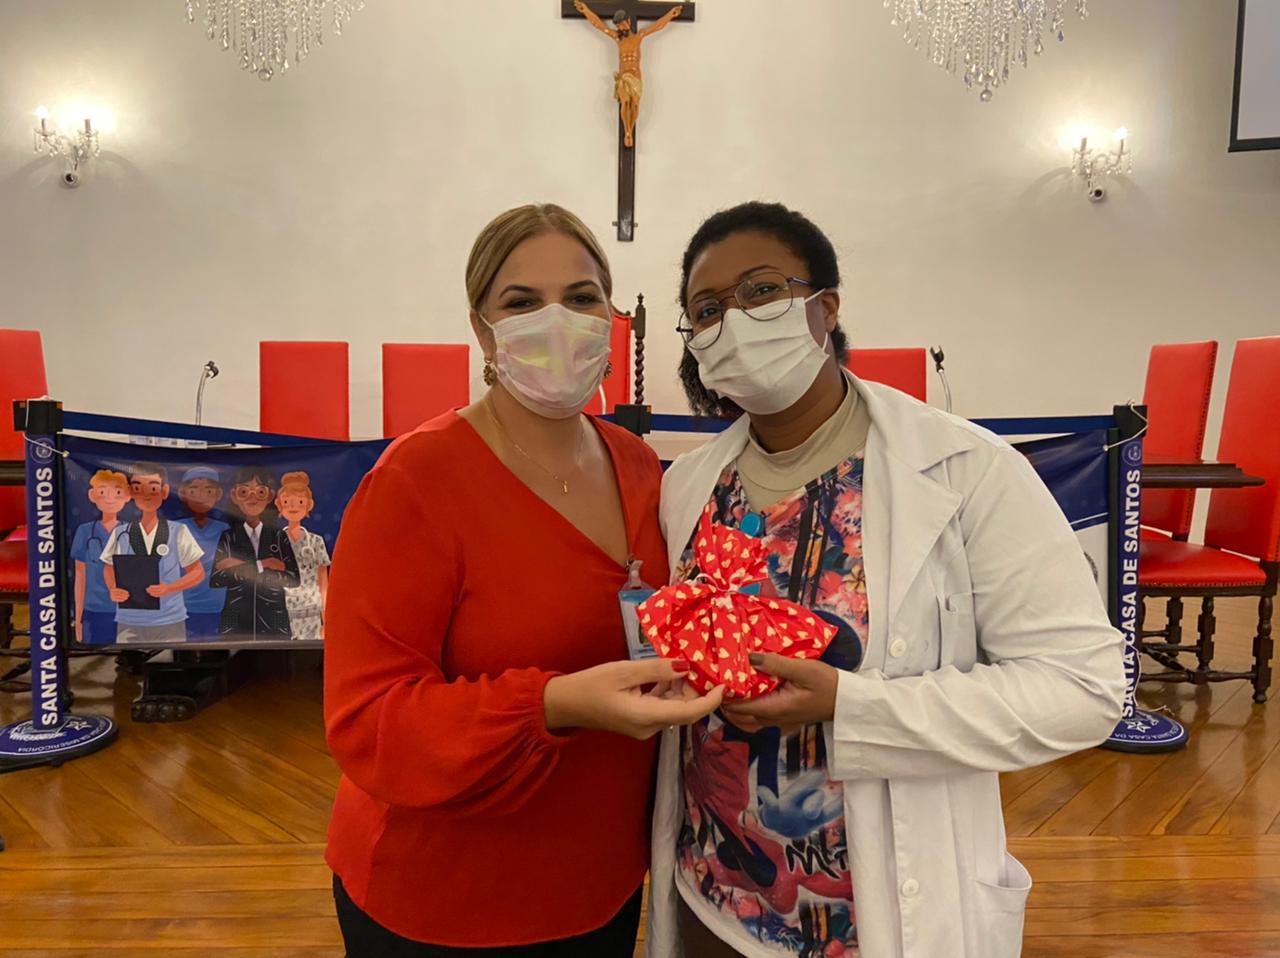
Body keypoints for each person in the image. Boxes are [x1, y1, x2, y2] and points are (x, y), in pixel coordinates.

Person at [646, 202, 1126, 958]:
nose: (734, 321)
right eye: (707, 310)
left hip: (881, 916)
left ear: (826, 307)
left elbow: (1083, 690)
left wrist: (854, 708)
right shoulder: (688, 486)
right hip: (714, 899)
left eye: (762, 291)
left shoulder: (967, 471)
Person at [324, 203, 723, 958]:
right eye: (521, 302)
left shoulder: (638, 466)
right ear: (482, 330)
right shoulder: (417, 481)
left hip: (601, 879)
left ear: (609, 317)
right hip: (445, 895)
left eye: (581, 297)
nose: (557, 321)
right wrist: (554, 704)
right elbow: (367, 721)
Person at [100, 463, 206, 644]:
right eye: (138, 488)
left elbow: (198, 572)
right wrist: (113, 589)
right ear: (131, 492)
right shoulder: (121, 533)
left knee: (171, 660)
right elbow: (108, 567)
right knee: (129, 660)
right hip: (130, 619)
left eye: (153, 488)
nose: (146, 494)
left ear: (164, 491)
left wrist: (170, 588)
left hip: (170, 618)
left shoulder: (178, 531)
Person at [211, 467, 299, 640]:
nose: (252, 498)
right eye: (244, 492)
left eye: (260, 492)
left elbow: (293, 578)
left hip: (273, 619)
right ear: (235, 496)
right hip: (236, 619)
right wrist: (263, 564)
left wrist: (237, 565)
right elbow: (217, 579)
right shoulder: (229, 536)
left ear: (269, 496)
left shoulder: (278, 536)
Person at [70, 469, 130, 646]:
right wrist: (78, 618)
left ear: (127, 496)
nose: (110, 499)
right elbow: (80, 575)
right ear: (92, 496)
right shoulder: (85, 531)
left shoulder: (131, 531)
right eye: (103, 492)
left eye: (117, 492)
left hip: (126, 609)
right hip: (94, 608)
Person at [174, 466, 230, 641]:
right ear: (183, 494)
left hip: (217, 605)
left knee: (217, 649)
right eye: (193, 491)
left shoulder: (225, 529)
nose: (200, 496)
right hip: (184, 605)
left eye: (208, 491)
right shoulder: (176, 528)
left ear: (218, 495)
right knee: (183, 648)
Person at [275, 471, 330, 642]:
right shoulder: (273, 542)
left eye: (300, 502)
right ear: (279, 505)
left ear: (309, 505)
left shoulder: (316, 541)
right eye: (287, 502)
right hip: (283, 612)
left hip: (311, 611)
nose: (293, 507)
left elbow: (323, 582)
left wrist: (326, 619)